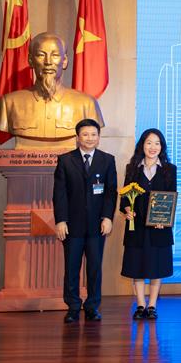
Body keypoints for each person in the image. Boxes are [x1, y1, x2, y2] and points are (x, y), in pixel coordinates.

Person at [0, 32, 104, 148]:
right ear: (30, 60)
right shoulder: (8, 103)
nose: (48, 62)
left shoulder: (87, 104)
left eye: (55, 55)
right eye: (41, 55)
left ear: (64, 61)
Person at [52, 118, 116, 323]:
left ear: (99, 137)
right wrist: (61, 220)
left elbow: (111, 193)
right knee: (72, 267)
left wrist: (107, 217)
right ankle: (72, 307)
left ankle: (92, 306)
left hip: (98, 225)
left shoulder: (107, 160)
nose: (90, 138)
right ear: (78, 137)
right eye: (85, 134)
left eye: (94, 134)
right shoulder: (65, 160)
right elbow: (59, 193)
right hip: (72, 225)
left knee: (94, 267)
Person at [120, 128, 176, 320]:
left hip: (159, 227)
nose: (153, 147)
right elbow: (124, 197)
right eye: (149, 143)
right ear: (142, 145)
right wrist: (127, 210)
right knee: (137, 266)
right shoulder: (132, 168)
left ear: (162, 147)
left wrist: (164, 220)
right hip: (136, 227)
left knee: (156, 266)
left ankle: (152, 305)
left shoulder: (169, 169)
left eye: (157, 143)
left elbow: (171, 197)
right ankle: (140, 304)